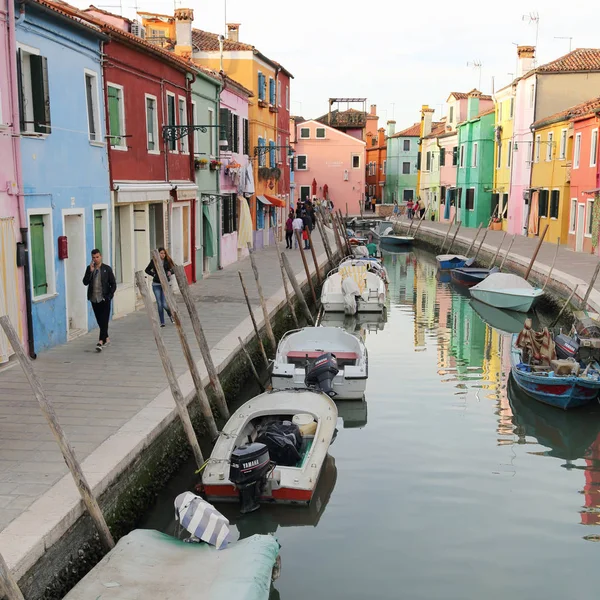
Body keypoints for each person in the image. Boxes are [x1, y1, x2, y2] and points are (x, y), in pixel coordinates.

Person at [83, 249, 116, 352]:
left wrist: (109, 296)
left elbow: (113, 284)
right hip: (94, 298)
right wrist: (90, 272)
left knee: (104, 320)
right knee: (100, 320)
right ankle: (106, 337)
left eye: (97, 257)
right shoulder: (90, 268)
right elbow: (85, 282)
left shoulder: (107, 269)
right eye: (93, 257)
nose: (95, 259)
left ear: (100, 256)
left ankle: (100, 342)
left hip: (104, 298)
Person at [144, 248, 175, 327]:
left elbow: (174, 268)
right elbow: (146, 270)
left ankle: (170, 314)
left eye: (164, 253)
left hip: (165, 284)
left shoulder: (167, 261)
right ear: (158, 254)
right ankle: (162, 322)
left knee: (164, 304)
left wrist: (170, 272)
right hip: (156, 284)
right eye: (161, 253)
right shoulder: (153, 261)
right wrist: (153, 274)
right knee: (159, 303)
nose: (163, 255)